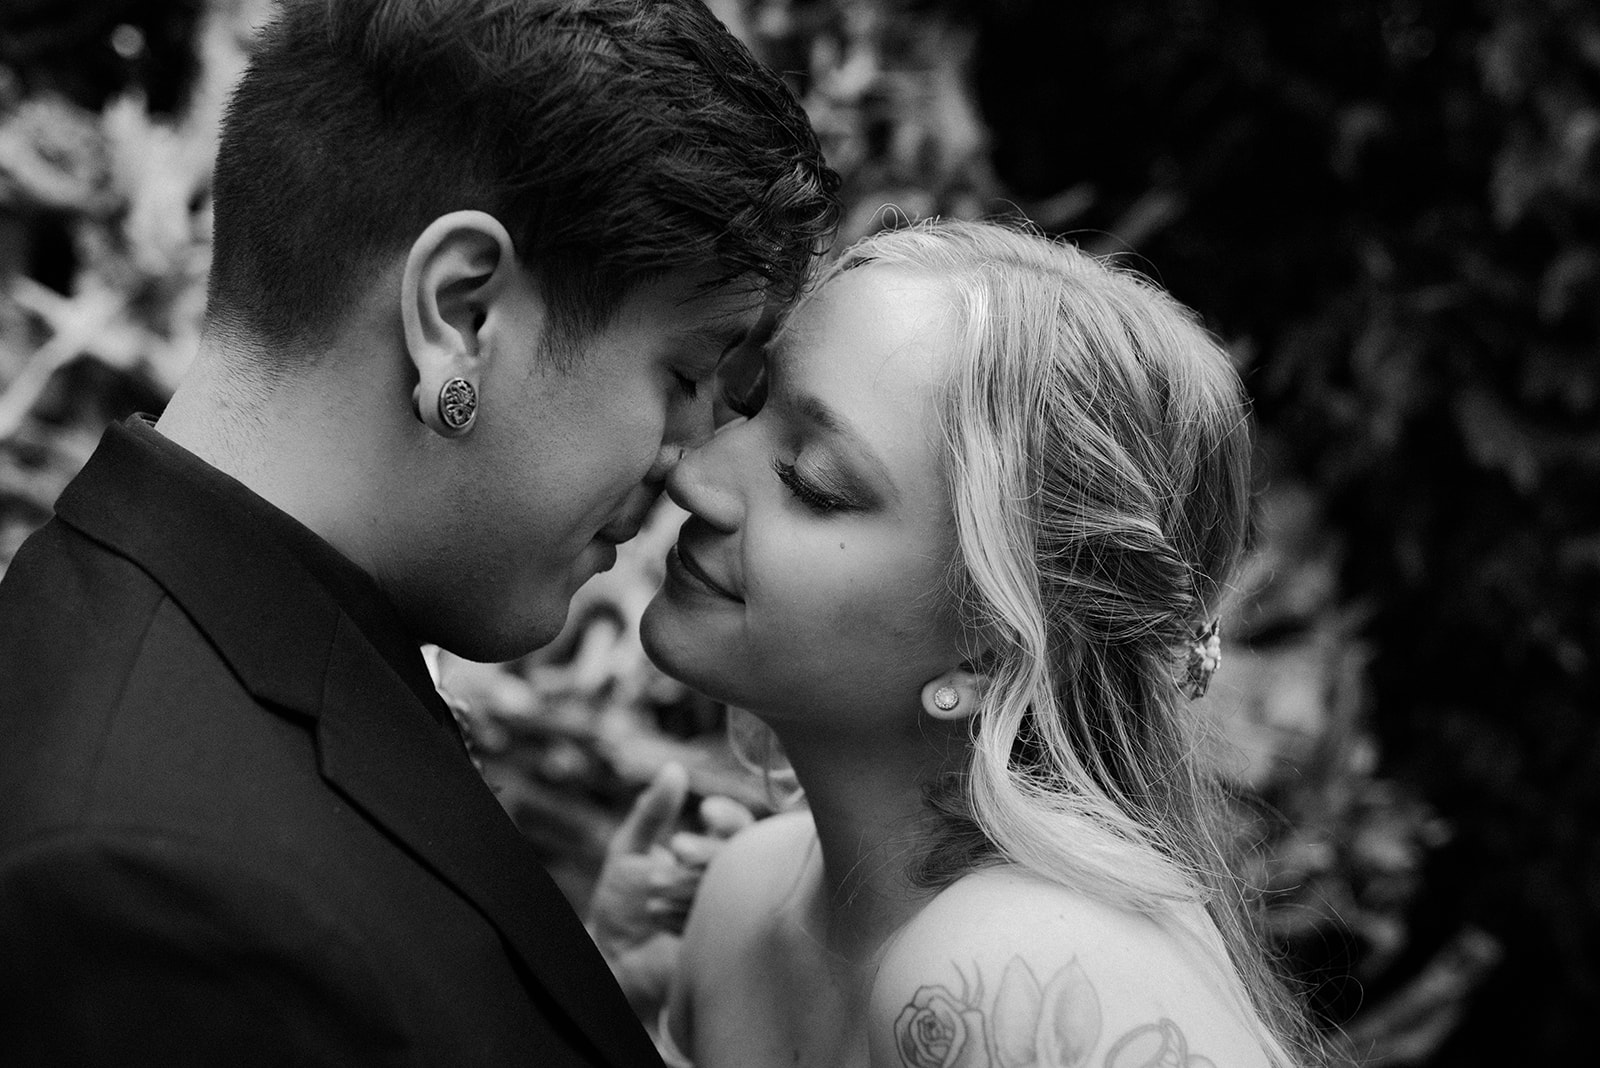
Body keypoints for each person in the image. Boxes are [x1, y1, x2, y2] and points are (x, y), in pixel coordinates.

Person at [0, 0, 837, 1064]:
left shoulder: (205, 667)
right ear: (461, 314)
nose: (695, 467)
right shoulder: (147, 900)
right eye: (683, 376)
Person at [639, 219, 1324, 1068]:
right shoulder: (741, 900)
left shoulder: (1013, 967)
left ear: (997, 652)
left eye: (812, 483)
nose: (694, 475)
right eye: (745, 404)